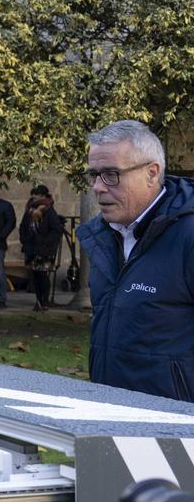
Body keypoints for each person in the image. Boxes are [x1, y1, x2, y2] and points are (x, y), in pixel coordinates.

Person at [78, 121, 194, 401]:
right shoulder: (103, 237)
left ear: (152, 173)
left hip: (175, 428)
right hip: (108, 412)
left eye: (111, 175)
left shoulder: (188, 235)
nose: (98, 187)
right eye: (94, 175)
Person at [19, 185, 63, 311]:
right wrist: (24, 240)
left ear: (43, 196)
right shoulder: (29, 210)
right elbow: (23, 226)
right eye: (33, 195)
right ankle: (38, 301)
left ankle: (44, 301)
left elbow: (56, 230)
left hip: (44, 250)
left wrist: (45, 242)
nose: (34, 197)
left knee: (43, 276)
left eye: (37, 195)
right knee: (35, 276)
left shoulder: (49, 211)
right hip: (31, 248)